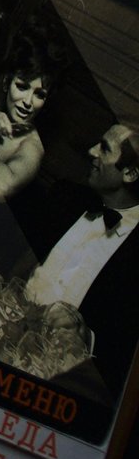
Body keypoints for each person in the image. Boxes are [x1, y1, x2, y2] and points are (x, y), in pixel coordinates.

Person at [24, 121, 139, 389]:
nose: (91, 151)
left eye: (104, 149)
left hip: (59, 379)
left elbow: (126, 351)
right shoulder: (65, 197)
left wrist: (86, 337)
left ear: (130, 174)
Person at [0, 24, 64, 207]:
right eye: (22, 86)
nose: (28, 101)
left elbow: (0, 189)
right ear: (6, 82)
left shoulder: (31, 148)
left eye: (40, 94)